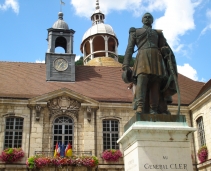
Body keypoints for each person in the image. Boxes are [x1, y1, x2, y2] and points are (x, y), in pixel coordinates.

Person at [122, 12, 178, 115]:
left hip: (157, 59)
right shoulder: (136, 31)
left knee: (155, 85)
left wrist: (166, 50)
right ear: (142, 20)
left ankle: (154, 109)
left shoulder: (158, 33)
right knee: (141, 82)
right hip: (142, 57)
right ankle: (140, 106)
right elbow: (130, 48)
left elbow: (163, 47)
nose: (147, 18)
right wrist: (125, 65)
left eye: (149, 17)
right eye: (145, 17)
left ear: (152, 20)